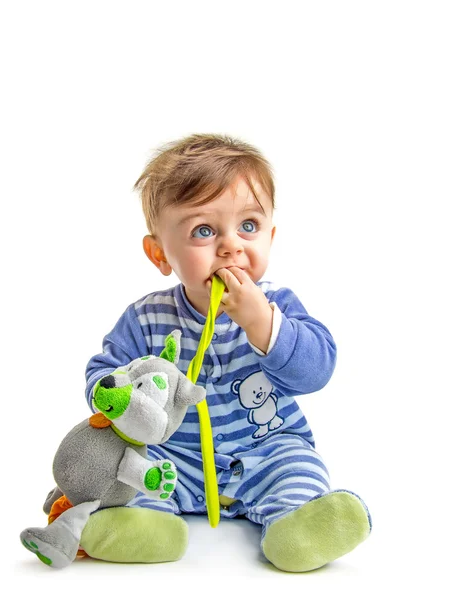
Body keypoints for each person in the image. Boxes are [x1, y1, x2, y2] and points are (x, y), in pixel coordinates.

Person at [80, 134, 371, 572]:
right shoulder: (145, 319)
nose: (231, 245)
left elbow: (316, 372)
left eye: (248, 226)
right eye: (204, 230)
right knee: (133, 470)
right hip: (173, 455)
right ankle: (140, 526)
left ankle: (299, 528)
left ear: (271, 236)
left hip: (267, 448)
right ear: (160, 253)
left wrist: (261, 323)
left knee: (298, 468)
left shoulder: (280, 307)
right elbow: (103, 375)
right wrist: (124, 399)